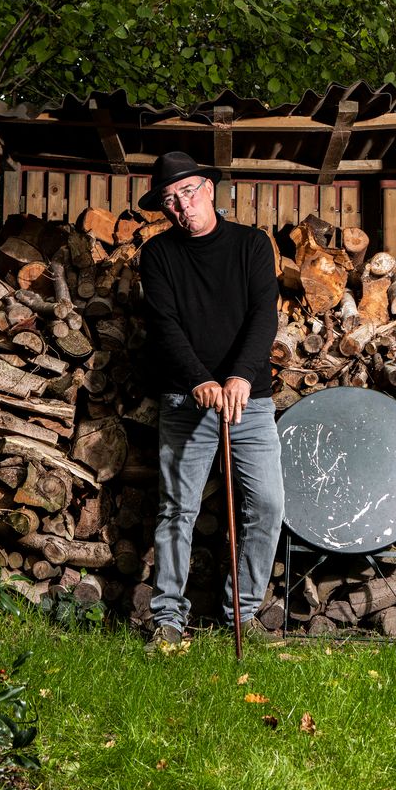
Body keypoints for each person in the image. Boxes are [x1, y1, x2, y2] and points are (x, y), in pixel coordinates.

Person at [138, 151, 285, 651]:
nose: (181, 205)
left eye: (188, 191)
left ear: (209, 189)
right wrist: (200, 379)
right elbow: (165, 327)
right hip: (187, 400)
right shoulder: (158, 256)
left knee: (266, 503)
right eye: (169, 200)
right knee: (177, 507)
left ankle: (239, 612)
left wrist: (241, 376)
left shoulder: (251, 245)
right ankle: (168, 619)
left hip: (251, 403)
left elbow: (264, 315)